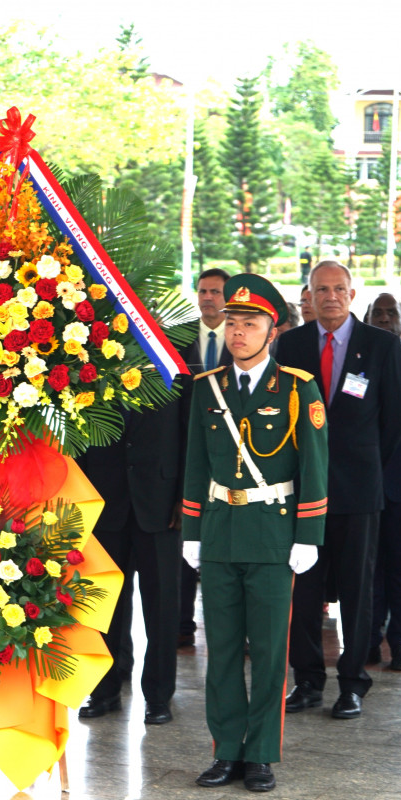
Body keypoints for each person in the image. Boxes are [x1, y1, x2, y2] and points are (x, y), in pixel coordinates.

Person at [183, 274, 327, 792]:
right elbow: (196, 465)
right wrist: (193, 530)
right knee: (220, 649)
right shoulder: (207, 388)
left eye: (251, 324)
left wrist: (308, 533)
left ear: (275, 330)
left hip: (272, 534)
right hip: (220, 533)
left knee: (268, 650)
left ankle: (260, 752)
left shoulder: (296, 386)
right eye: (233, 323)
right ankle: (226, 751)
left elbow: (314, 464)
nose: (238, 333)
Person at [277, 261, 401, 719]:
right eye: (321, 290)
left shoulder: (382, 346)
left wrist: (364, 463)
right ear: (308, 297)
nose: (330, 296)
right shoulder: (290, 345)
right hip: (302, 494)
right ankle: (308, 681)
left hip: (359, 492)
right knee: (304, 590)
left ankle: (353, 683)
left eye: (339, 289)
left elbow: (395, 421)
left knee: (358, 590)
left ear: (352, 295)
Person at [77, 396, 187, 724]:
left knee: (163, 604)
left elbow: (186, 426)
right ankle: (104, 690)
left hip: (161, 498)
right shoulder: (90, 347)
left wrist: (184, 496)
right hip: (105, 495)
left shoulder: (176, 347)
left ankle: (158, 695)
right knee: (105, 602)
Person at [180, 268, 233, 647]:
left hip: (234, 458)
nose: (208, 298)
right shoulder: (179, 340)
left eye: (216, 292)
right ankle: (183, 623)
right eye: (203, 291)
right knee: (187, 541)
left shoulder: (244, 338)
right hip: (187, 453)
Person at [368, 301, 401, 672]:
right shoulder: (359, 361)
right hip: (364, 483)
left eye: (390, 314)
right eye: (377, 314)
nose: (384, 319)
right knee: (368, 567)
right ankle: (367, 640)